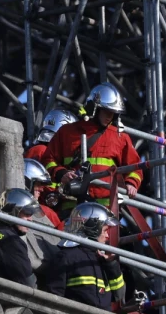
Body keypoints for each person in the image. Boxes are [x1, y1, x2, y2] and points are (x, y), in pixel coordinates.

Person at [43, 83, 143, 217]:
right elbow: (48, 160)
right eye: (107, 111)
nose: (110, 116)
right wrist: (61, 174)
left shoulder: (121, 137)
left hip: (106, 209)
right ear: (94, 109)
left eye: (114, 113)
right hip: (71, 207)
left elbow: (134, 167)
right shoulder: (67, 132)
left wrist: (131, 184)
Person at [46, 203, 126, 310]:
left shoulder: (103, 261)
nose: (107, 236)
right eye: (105, 231)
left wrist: (111, 265)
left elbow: (119, 295)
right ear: (92, 229)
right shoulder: (66, 257)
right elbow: (54, 297)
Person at [23, 158, 64, 231]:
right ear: (27, 183)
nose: (42, 190)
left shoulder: (48, 213)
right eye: (38, 185)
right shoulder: (47, 213)